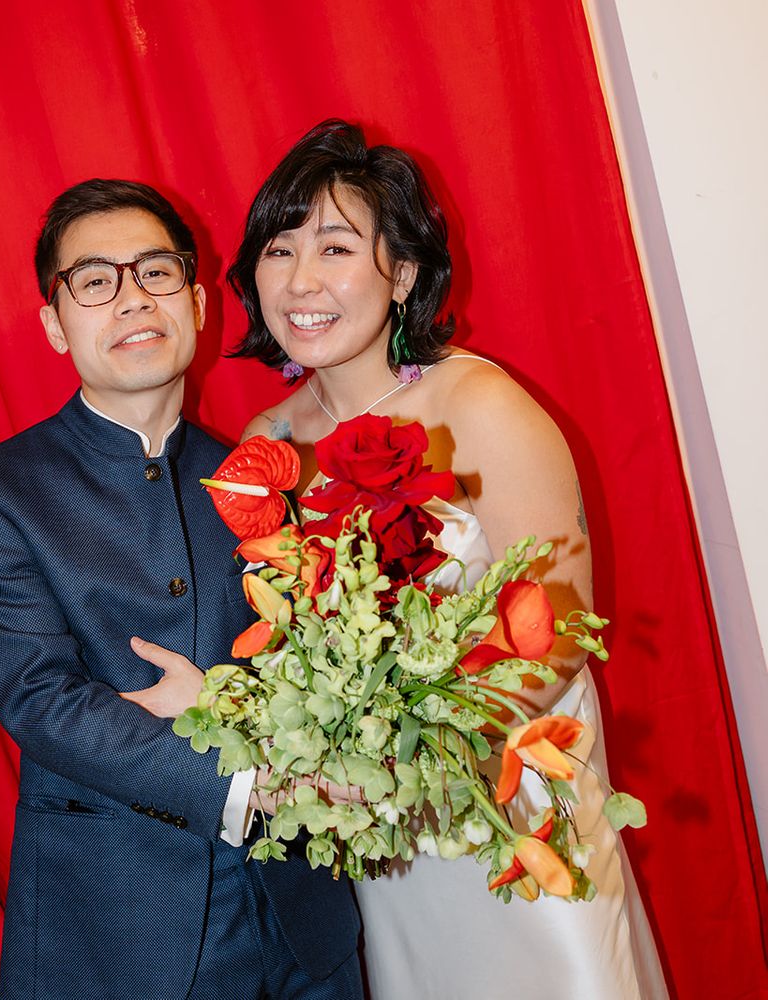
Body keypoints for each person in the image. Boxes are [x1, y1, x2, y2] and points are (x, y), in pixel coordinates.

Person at [225, 120, 669, 999]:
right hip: (383, 839)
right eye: (279, 249)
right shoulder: (266, 445)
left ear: (405, 274)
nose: (301, 281)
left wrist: (414, 765)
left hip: (513, 807)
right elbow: (279, 637)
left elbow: (558, 632)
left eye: (336, 247)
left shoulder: (482, 404)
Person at [0, 179, 362, 1000]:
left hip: (306, 923)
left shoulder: (262, 477)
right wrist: (243, 780)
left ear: (197, 303)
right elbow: (41, 700)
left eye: (156, 272)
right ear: (57, 325)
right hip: (120, 934)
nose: (133, 299)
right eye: (96, 282)